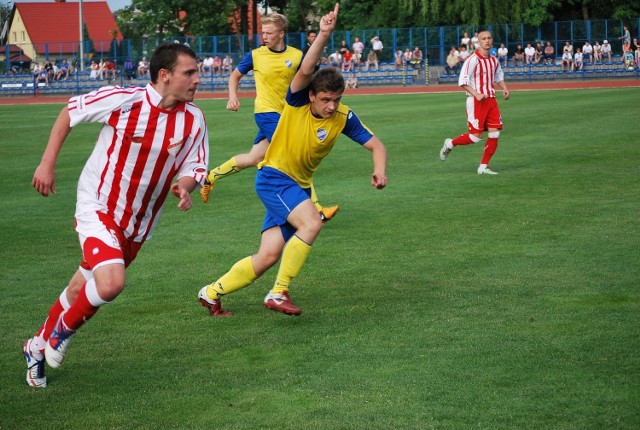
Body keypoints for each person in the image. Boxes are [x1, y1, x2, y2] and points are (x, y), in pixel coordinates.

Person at [23, 43, 208, 388]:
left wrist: (185, 187)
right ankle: (62, 331)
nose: (198, 78)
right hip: (98, 204)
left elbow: (195, 165)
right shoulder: (125, 99)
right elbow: (69, 112)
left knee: (81, 287)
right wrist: (47, 163)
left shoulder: (194, 119)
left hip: (139, 223)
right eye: (190, 72)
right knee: (111, 283)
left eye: (197, 71)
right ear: (165, 76)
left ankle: (35, 347)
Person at [197, 3, 387, 318]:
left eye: (336, 100)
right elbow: (306, 68)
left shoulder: (343, 117)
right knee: (312, 222)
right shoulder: (297, 100)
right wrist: (324, 33)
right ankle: (278, 292)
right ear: (311, 95)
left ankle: (210, 293)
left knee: (267, 256)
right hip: (275, 179)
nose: (332, 106)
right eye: (326, 100)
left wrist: (379, 171)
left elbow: (376, 145)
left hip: (293, 186)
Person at [200, 12, 339, 221]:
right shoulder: (256, 55)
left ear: (281, 33)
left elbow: (309, 78)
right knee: (295, 153)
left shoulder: (295, 55)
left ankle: (210, 177)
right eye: (263, 33)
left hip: (288, 115)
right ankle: (316, 208)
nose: (264, 36)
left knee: (254, 157)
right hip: (266, 112)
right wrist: (232, 97)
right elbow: (234, 76)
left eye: (269, 33)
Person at [440, 30, 510, 175]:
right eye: (483, 39)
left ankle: (483, 167)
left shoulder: (494, 60)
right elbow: (462, 81)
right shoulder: (472, 59)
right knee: (475, 137)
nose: (487, 41)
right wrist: (476, 94)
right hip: (476, 101)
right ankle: (450, 143)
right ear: (478, 42)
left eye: (489, 38)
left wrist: (504, 88)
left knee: (495, 134)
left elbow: (498, 76)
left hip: (491, 100)